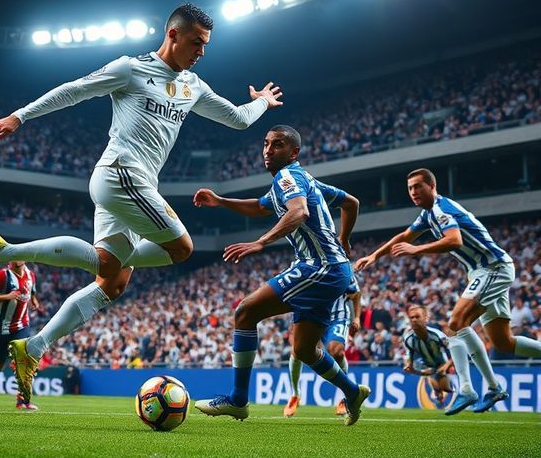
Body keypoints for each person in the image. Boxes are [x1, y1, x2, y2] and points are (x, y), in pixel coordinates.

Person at [0, 3, 284, 402]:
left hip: (134, 183)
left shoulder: (193, 86)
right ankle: (4, 252)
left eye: (206, 45)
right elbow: (75, 90)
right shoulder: (132, 68)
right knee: (181, 248)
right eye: (196, 42)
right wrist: (19, 117)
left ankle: (31, 343)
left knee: (112, 277)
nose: (201, 52)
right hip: (120, 173)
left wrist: (262, 100)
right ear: (172, 35)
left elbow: (238, 118)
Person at [192, 125, 370, 426]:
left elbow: (299, 212)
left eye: (277, 145)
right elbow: (350, 203)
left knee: (245, 311)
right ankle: (352, 392)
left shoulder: (289, 177)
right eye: (265, 144)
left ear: (293, 152)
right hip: (332, 269)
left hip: (320, 267)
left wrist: (261, 242)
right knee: (303, 349)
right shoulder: (300, 180)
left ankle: (237, 400)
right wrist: (221, 201)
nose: (268, 150)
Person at [355, 168, 541, 415]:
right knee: (503, 342)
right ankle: (492, 388)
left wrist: (416, 250)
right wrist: (374, 255)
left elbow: (455, 241)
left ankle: (472, 387)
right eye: (410, 188)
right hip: (483, 271)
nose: (413, 192)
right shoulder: (428, 214)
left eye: (418, 187)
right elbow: (404, 235)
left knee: (455, 324)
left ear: (432, 186)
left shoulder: (442, 210)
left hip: (492, 268)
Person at [284, 277, 361, 417]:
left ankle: (346, 398)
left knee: (336, 351)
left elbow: (356, 293)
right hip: (312, 316)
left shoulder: (343, 269)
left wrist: (357, 318)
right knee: (296, 350)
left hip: (338, 317)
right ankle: (295, 394)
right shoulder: (305, 264)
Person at [0, 262, 41, 409]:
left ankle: (23, 399)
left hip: (22, 327)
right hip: (1, 330)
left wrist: (34, 301)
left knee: (24, 361)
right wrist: (8, 296)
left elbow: (32, 292)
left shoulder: (31, 274)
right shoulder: (3, 275)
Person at [402, 304, 454, 405]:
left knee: (445, 387)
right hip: (428, 365)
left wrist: (447, 365)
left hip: (442, 364)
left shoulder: (437, 335)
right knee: (434, 382)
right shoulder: (408, 338)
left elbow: (454, 352)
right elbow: (409, 353)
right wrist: (409, 365)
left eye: (417, 317)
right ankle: (438, 394)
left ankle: (459, 391)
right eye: (412, 317)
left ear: (426, 318)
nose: (414, 320)